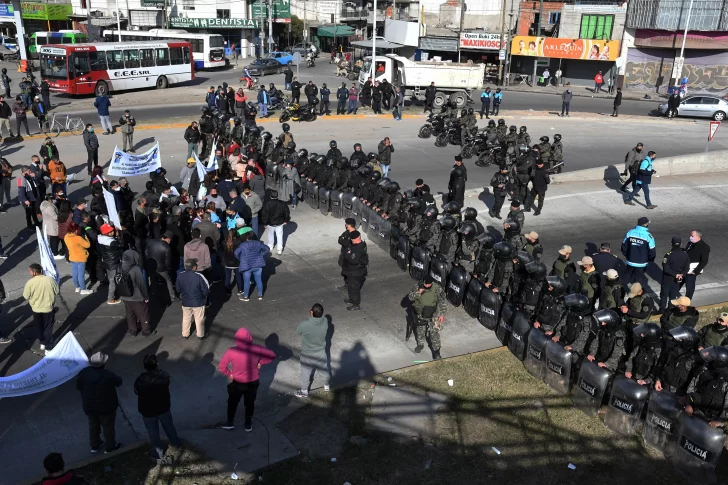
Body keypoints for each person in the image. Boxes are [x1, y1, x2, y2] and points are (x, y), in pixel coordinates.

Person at [218, 327, 276, 431]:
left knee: (232, 403)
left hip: (237, 383)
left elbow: (221, 367)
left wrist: (230, 374)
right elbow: (272, 355)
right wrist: (260, 362)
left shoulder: (231, 351)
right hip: (253, 383)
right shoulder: (257, 348)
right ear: (249, 338)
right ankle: (248, 425)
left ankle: (230, 422)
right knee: (249, 404)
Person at [134, 354, 181, 460]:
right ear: (157, 364)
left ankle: (157, 452)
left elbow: (136, 391)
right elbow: (167, 382)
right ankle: (175, 443)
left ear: (144, 366)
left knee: (153, 432)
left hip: (147, 410)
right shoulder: (163, 376)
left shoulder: (140, 379)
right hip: (163, 407)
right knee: (169, 426)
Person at [76, 352, 123, 454]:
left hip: (89, 406)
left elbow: (78, 387)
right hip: (106, 407)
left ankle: (95, 445)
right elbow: (119, 382)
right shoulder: (107, 374)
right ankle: (110, 447)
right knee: (108, 427)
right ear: (103, 364)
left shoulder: (84, 373)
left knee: (93, 426)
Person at [683, 346, 728, 427]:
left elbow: (726, 405)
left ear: (720, 361)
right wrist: (689, 403)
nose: (711, 357)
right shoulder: (705, 369)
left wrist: (720, 422)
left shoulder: (725, 380)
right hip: (696, 411)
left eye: (714, 356)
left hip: (712, 420)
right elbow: (692, 386)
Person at [294, 303, 331, 398]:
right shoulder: (325, 321)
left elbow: (297, 332)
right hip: (321, 352)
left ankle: (304, 391)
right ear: (322, 313)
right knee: (323, 369)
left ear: (311, 312)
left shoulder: (305, 324)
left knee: (305, 372)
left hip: (308, 354)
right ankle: (326, 385)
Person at [408, 274, 447, 360]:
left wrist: (442, 314)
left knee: (434, 333)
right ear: (423, 282)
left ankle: (437, 352)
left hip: (434, 314)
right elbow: (410, 297)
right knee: (420, 330)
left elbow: (442, 301)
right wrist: (419, 292)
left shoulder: (437, 288)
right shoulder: (417, 287)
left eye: (429, 284)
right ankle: (420, 344)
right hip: (421, 314)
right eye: (426, 284)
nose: (428, 286)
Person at [23, 263, 59, 353]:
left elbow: (26, 296)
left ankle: (42, 343)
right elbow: (57, 291)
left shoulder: (30, 282)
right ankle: (49, 346)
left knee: (39, 327)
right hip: (48, 308)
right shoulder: (50, 279)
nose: (29, 273)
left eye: (30, 271)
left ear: (34, 272)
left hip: (36, 309)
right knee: (48, 328)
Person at [176, 259, 210, 339]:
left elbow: (178, 289)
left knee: (186, 318)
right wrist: (204, 297)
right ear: (194, 267)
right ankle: (200, 335)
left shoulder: (180, 275)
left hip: (186, 301)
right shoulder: (199, 276)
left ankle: (185, 334)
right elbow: (206, 289)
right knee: (199, 319)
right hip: (198, 302)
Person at [234, 230, 269, 301]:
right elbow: (267, 249)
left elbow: (236, 253)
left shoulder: (243, 245)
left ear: (246, 237)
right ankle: (260, 295)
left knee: (246, 282)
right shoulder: (258, 243)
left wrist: (241, 259)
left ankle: (246, 297)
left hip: (247, 265)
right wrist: (261, 254)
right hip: (258, 264)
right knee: (259, 280)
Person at [621, 216, 656, 285]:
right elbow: (652, 252)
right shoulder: (648, 236)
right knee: (638, 279)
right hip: (641, 263)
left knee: (627, 275)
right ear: (645, 224)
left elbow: (624, 247)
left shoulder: (630, 232)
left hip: (630, 261)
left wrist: (628, 255)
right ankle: (636, 292)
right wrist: (649, 260)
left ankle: (621, 289)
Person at [658, 236, 689, 313]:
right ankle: (670, 310)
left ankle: (661, 310)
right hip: (678, 280)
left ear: (671, 243)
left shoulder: (668, 255)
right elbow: (686, 268)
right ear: (681, 244)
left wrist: (675, 274)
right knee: (673, 296)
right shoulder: (685, 255)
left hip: (667, 279)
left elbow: (666, 268)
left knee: (664, 295)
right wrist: (681, 275)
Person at [146, 232, 176, 304]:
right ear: (168, 239)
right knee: (168, 281)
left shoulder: (151, 242)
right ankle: (172, 296)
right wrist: (168, 269)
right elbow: (167, 262)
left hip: (152, 267)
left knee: (154, 282)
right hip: (162, 269)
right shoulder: (166, 247)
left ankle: (155, 296)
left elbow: (146, 253)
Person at [341, 230, 368, 311]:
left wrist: (347, 254)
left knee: (354, 288)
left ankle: (356, 304)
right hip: (356, 271)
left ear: (354, 239)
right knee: (351, 287)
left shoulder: (357, 248)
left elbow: (353, 260)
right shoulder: (362, 244)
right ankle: (352, 299)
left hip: (356, 272)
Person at [98, 224, 124, 305]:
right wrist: (118, 236)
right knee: (113, 281)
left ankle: (113, 295)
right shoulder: (111, 242)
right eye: (111, 231)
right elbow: (121, 245)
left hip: (107, 262)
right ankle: (111, 298)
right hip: (113, 262)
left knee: (111, 279)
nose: (113, 232)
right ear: (107, 233)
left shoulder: (101, 239)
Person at [65, 223, 93, 295]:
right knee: (81, 275)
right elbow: (87, 245)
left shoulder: (66, 237)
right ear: (76, 230)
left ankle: (77, 287)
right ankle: (83, 289)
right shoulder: (78, 238)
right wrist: (86, 238)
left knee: (74, 273)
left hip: (72, 257)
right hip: (80, 258)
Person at [260, 189, 290, 255]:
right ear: (277, 196)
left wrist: (265, 223)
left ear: (270, 196)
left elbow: (265, 214)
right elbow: (286, 212)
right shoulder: (282, 203)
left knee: (270, 235)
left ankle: (270, 246)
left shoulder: (267, 204)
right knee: (279, 236)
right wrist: (286, 220)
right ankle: (280, 249)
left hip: (270, 223)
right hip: (280, 223)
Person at [682, 229, 710, 299]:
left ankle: (687, 302)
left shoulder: (704, 247)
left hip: (692, 271)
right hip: (684, 268)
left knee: (689, 287)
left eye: (692, 236)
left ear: (698, 237)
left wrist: (695, 272)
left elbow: (704, 261)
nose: (690, 237)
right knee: (677, 284)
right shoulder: (690, 243)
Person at [18, 164, 40, 229]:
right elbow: (20, 191)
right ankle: (29, 225)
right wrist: (25, 200)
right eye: (29, 171)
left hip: (32, 197)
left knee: (33, 210)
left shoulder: (29, 176)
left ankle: (36, 222)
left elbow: (34, 185)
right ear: (25, 171)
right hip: (27, 199)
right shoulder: (20, 179)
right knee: (28, 212)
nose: (30, 172)